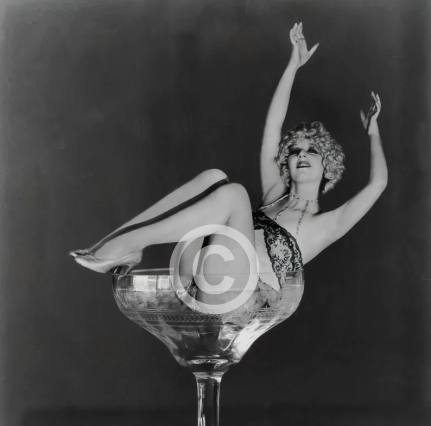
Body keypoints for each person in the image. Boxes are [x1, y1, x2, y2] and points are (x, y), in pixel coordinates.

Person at [69, 23, 387, 298]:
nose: (301, 154)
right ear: (287, 164)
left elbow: (378, 184)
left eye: (312, 151)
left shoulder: (327, 224)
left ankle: (130, 242)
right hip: (199, 268)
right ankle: (119, 240)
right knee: (214, 176)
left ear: (328, 166)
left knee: (235, 194)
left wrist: (373, 132)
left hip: (236, 296)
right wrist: (293, 66)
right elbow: (273, 125)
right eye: (294, 151)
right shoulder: (275, 194)